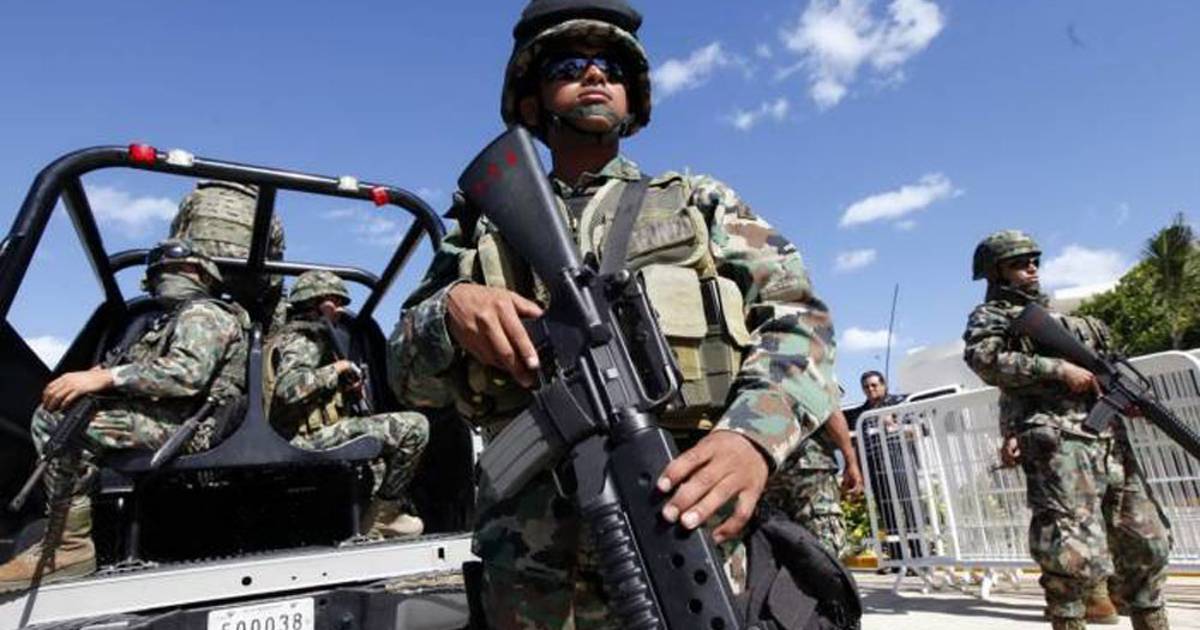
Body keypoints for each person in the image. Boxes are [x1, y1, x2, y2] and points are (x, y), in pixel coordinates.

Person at [387, 0, 839, 626]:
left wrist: (750, 438)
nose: (596, 75)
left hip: (681, 543)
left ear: (635, 99)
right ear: (530, 102)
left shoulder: (699, 204)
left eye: (613, 68)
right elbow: (404, 374)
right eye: (569, 66)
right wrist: (451, 310)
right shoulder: (480, 231)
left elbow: (799, 322)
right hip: (529, 583)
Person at [0, 238, 251, 591]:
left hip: (192, 426)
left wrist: (106, 377)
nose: (167, 277)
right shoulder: (168, 321)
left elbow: (185, 375)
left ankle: (69, 546)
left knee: (59, 424)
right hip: (169, 418)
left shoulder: (204, 314)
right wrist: (100, 376)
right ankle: (63, 533)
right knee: (61, 415)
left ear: (203, 276)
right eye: (161, 272)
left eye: (179, 269)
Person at [962, 230, 1171, 630]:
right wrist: (1058, 369)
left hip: (1108, 439)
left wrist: (1128, 400)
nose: (1032, 268)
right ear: (995, 272)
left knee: (1146, 541)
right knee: (1069, 554)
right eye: (1019, 263)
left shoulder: (1069, 321)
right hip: (1058, 442)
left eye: (1034, 261)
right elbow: (985, 361)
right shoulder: (991, 316)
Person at [267, 271, 429, 538]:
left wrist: (342, 386)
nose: (341, 310)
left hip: (301, 435)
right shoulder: (305, 338)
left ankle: (379, 514)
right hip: (303, 439)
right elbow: (289, 390)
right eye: (337, 302)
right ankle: (383, 517)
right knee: (415, 427)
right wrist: (338, 368)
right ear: (321, 303)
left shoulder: (290, 335)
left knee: (380, 440)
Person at [170, 180, 287, 330]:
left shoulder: (195, 197)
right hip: (244, 279)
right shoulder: (267, 211)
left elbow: (176, 240)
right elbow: (276, 270)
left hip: (200, 272)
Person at [763, 405, 862, 558]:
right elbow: (831, 413)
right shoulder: (808, 387)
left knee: (775, 537)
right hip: (810, 465)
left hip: (771, 466)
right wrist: (851, 462)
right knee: (824, 540)